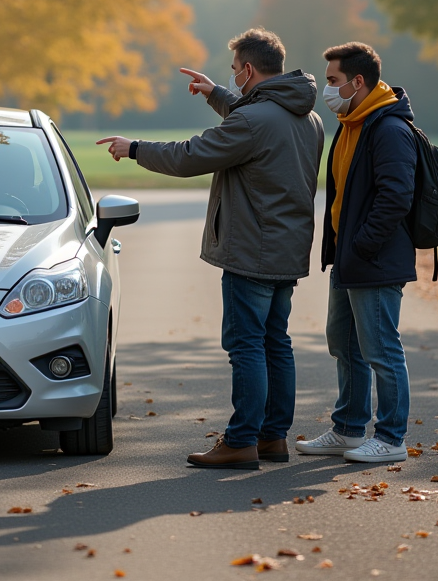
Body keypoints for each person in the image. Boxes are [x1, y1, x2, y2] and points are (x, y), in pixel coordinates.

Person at [97, 28, 324, 470]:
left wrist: (135, 148)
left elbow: (190, 156)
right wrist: (216, 93)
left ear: (249, 69)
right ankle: (272, 437)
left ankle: (241, 441)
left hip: (251, 251)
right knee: (276, 343)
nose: (233, 75)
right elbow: (254, 120)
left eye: (235, 70)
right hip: (287, 249)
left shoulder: (254, 120)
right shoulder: (306, 117)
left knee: (246, 346)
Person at [296, 42, 416, 463]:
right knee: (344, 344)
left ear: (357, 81)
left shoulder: (389, 128)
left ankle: (391, 438)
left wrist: (362, 245)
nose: (327, 89)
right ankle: (348, 429)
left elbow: (396, 197)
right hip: (350, 258)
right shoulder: (353, 124)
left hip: (374, 260)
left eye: (333, 80)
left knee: (381, 349)